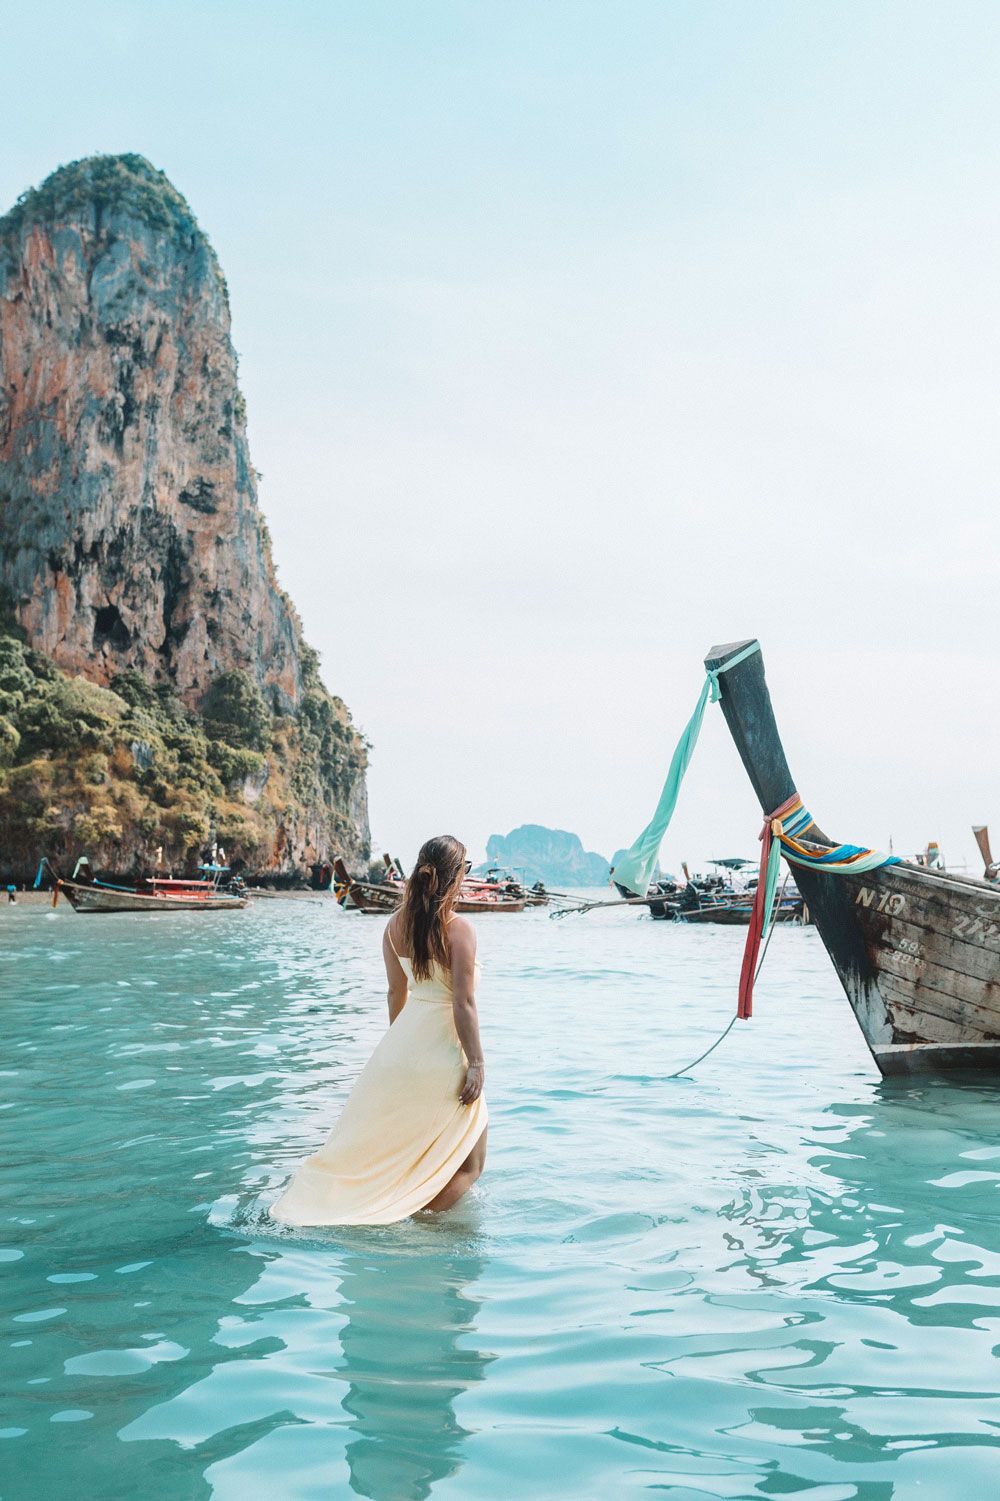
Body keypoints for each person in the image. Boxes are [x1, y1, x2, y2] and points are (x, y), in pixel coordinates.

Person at [270, 834, 488, 1226]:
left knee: (401, 1151)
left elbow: (394, 993)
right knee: (471, 1165)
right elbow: (463, 1003)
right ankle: (411, 1220)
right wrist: (476, 1063)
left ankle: (397, 1205)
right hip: (444, 1054)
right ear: (454, 877)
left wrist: (402, 1051)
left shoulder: (392, 926)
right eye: (467, 869)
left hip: (399, 1050)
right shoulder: (460, 930)